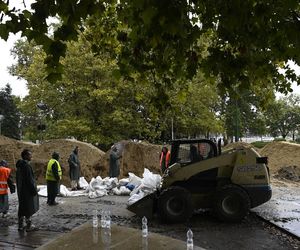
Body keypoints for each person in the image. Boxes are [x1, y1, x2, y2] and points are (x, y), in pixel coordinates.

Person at [16, 149, 39, 232]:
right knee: (29, 208)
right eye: (29, 155)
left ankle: (20, 226)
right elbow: (30, 180)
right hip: (27, 192)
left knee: (22, 208)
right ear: (25, 156)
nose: (31, 156)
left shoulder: (19, 166)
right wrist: (34, 191)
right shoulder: (27, 166)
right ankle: (29, 226)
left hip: (21, 191)